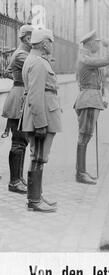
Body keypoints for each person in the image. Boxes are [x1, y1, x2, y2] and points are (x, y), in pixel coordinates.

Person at [21, 28, 62, 212]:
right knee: (38, 157)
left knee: (38, 157)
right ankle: (34, 201)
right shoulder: (38, 63)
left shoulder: (35, 60)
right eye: (51, 42)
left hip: (41, 116)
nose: (52, 45)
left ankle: (36, 197)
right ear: (45, 43)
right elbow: (36, 96)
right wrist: (40, 124)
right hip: (41, 117)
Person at [74, 30, 109, 185]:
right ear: (90, 43)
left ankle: (82, 171)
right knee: (84, 136)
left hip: (91, 98)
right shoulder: (85, 58)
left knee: (86, 136)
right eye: (97, 42)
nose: (99, 44)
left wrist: (101, 97)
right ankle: (80, 173)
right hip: (88, 100)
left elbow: (96, 81)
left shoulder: (87, 58)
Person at [1, 25, 34, 194]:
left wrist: (15, 75)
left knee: (22, 141)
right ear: (28, 38)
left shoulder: (21, 54)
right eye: (34, 37)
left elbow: (7, 70)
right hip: (19, 99)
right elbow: (35, 67)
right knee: (19, 142)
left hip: (20, 95)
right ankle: (14, 181)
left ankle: (18, 178)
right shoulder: (22, 54)